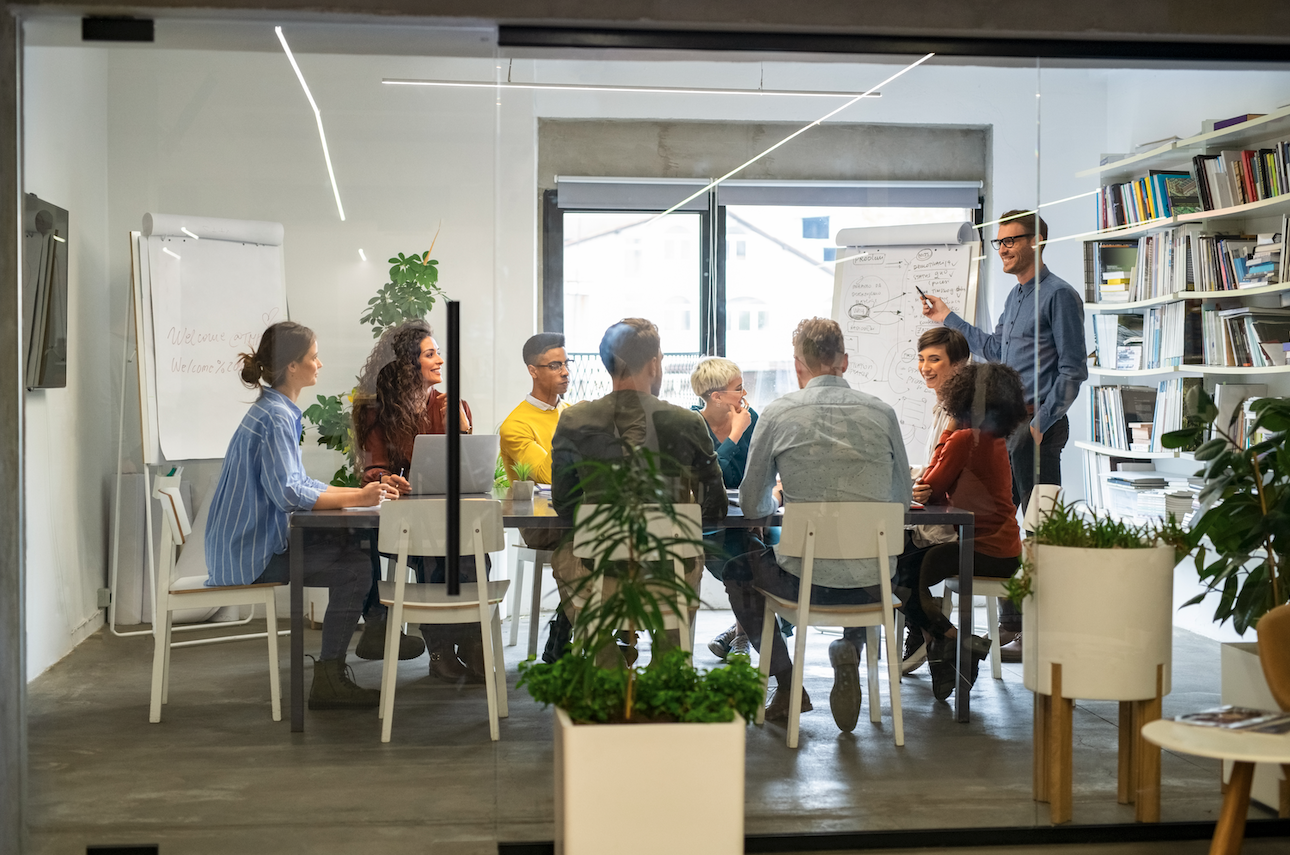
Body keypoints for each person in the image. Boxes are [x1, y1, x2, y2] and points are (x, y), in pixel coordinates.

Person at [723, 317, 912, 733]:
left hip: (800, 582)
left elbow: (753, 503)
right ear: (844, 362)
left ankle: (788, 682)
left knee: (737, 572)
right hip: (872, 582)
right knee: (863, 563)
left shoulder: (777, 414)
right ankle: (850, 645)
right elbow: (901, 502)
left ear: (798, 365)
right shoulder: (883, 413)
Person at [920, 210, 1088, 661]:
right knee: (1001, 526)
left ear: (1038, 242)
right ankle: (1012, 628)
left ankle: (1038, 633)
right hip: (1005, 426)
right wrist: (949, 317)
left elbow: (1073, 372)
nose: (1004, 249)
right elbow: (993, 350)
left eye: (1012, 240)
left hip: (1037, 427)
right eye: (999, 242)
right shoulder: (1014, 299)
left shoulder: (1060, 296)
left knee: (1037, 530)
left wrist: (1035, 427)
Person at [205, 321, 397, 710]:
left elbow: (300, 482)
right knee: (356, 568)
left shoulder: (273, 410)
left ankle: (366, 636)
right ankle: (331, 676)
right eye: (313, 357)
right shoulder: (275, 418)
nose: (319, 364)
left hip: (244, 548)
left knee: (355, 553)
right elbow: (288, 493)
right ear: (292, 366)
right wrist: (358, 497)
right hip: (250, 556)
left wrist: (363, 495)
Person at [549, 318, 726, 663]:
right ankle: (668, 659)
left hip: (597, 572)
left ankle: (604, 655)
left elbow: (565, 504)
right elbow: (714, 507)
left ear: (606, 362)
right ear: (655, 363)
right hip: (669, 574)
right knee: (690, 550)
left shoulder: (574, 420)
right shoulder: (687, 422)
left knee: (564, 555)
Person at [352, 319, 484, 684]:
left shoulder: (450, 405)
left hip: (447, 518)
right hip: (403, 522)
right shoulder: (376, 412)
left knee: (473, 549)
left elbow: (467, 466)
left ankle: (472, 644)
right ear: (409, 365)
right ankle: (441, 650)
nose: (440, 360)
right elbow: (373, 469)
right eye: (430, 354)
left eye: (439, 352)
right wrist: (385, 478)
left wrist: (460, 420)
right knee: (434, 552)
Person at [903, 362, 1028, 701]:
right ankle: (949, 651)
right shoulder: (994, 440)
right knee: (908, 567)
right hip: (1006, 550)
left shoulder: (962, 439)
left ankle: (955, 643)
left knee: (901, 577)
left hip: (982, 548)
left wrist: (951, 428)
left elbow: (930, 485)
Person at [899, 326, 970, 675]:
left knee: (891, 565)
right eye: (922, 359)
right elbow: (933, 469)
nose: (925, 367)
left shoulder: (962, 412)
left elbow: (942, 472)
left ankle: (941, 634)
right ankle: (933, 632)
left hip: (962, 528)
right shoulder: (942, 406)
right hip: (940, 517)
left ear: (958, 364)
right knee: (888, 554)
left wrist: (923, 483)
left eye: (935, 360)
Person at [499, 332, 572, 661]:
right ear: (533, 370)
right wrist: (571, 426)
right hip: (541, 522)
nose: (565, 372)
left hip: (575, 514)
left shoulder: (569, 413)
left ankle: (566, 628)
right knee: (595, 541)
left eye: (566, 363)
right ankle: (572, 631)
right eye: (555, 365)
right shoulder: (515, 425)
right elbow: (548, 476)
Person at [688, 357, 759, 661]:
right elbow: (710, 478)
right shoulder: (691, 423)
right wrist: (734, 436)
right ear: (716, 397)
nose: (745, 395)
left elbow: (760, 470)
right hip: (706, 520)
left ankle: (739, 634)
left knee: (764, 560)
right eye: (738, 389)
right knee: (739, 561)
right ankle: (742, 634)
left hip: (749, 516)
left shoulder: (751, 417)